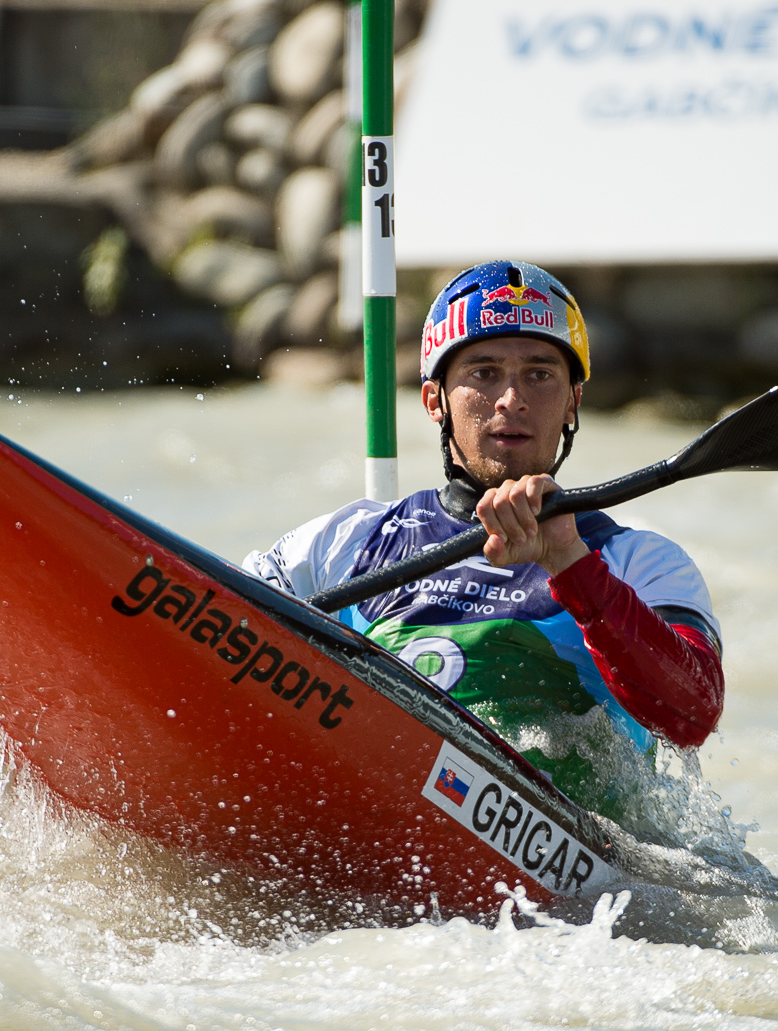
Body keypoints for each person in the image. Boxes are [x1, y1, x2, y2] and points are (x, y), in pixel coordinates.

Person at [244, 260, 724, 822]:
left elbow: (692, 716)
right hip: (364, 809)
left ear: (572, 402)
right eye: (484, 372)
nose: (511, 399)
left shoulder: (637, 560)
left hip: (573, 887)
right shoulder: (344, 542)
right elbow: (218, 639)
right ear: (434, 401)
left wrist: (569, 562)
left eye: (541, 374)